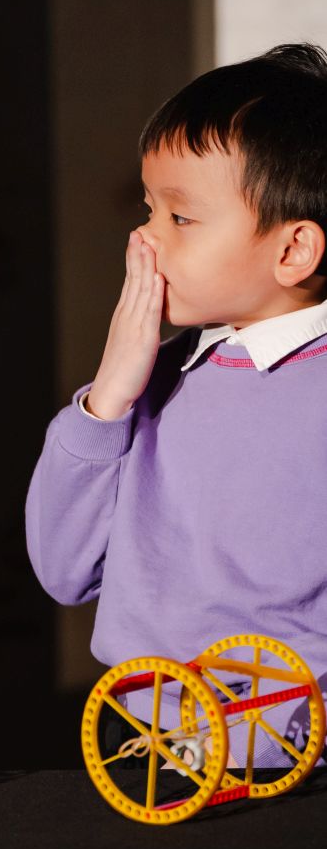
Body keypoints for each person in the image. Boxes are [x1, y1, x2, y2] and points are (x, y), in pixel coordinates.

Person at [26, 44, 327, 751]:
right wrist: (107, 398)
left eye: (180, 218)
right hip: (138, 742)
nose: (143, 236)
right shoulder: (149, 382)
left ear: (292, 251)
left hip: (289, 758)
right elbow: (63, 572)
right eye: (148, 208)